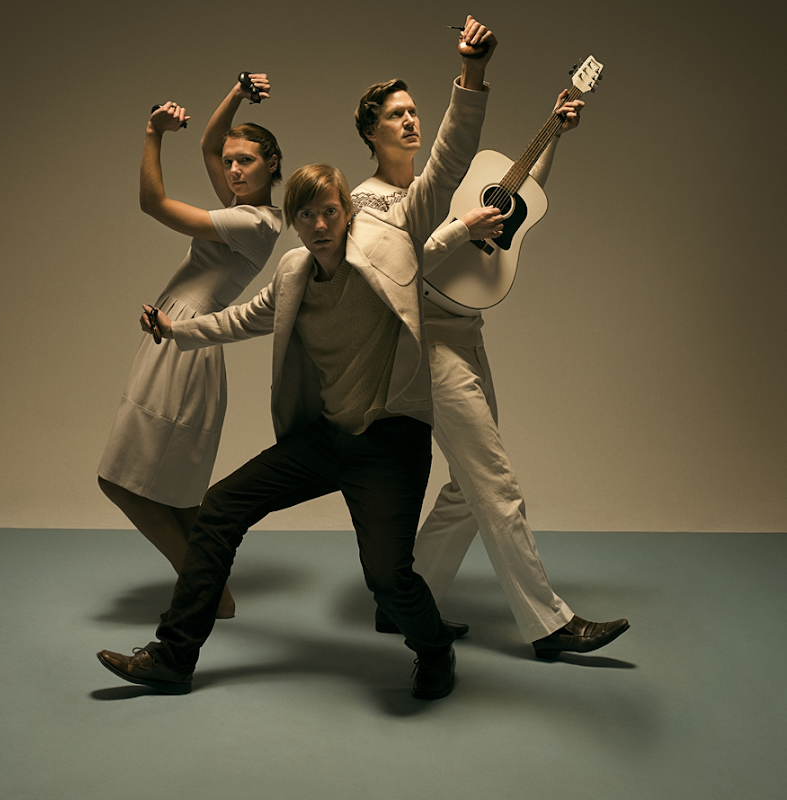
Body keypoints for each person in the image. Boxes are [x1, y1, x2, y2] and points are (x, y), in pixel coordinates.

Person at [97, 15, 496, 699]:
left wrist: (472, 74)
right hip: (328, 437)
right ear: (295, 220)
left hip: (390, 440)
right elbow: (238, 319)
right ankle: (173, 656)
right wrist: (174, 331)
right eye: (305, 215)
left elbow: (450, 159)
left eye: (329, 212)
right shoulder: (291, 275)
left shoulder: (392, 240)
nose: (318, 224)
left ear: (348, 211)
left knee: (387, 578)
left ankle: (433, 649)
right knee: (221, 507)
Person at [351, 77, 629, 660]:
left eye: (414, 111)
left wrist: (554, 131)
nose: (411, 120)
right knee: (495, 484)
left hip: (467, 333)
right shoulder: (367, 201)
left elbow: (517, 192)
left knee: (466, 487)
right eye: (396, 115)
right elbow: (393, 265)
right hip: (424, 345)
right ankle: (549, 624)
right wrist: (462, 230)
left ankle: (404, 602)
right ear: (371, 131)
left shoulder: (439, 182)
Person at [97, 74, 283, 620]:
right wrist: (237, 92)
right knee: (174, 496)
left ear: (272, 164)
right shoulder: (243, 208)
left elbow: (152, 203)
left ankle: (203, 595)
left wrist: (152, 133)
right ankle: (214, 596)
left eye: (246, 161)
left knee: (122, 484)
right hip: (174, 336)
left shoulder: (253, 222)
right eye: (230, 163)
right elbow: (207, 144)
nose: (233, 170)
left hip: (185, 343)